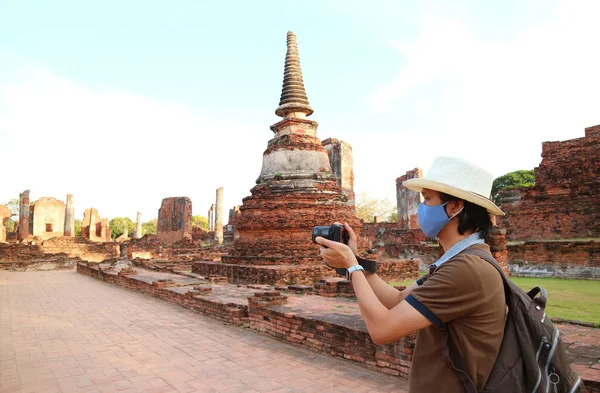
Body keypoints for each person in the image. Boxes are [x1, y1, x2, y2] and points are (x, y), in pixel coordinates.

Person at [315, 156, 506, 393]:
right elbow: (398, 300)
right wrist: (355, 260)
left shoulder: (467, 269)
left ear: (455, 207)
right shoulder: (457, 261)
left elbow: (382, 330)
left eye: (427, 199)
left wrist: (352, 268)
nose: (421, 208)